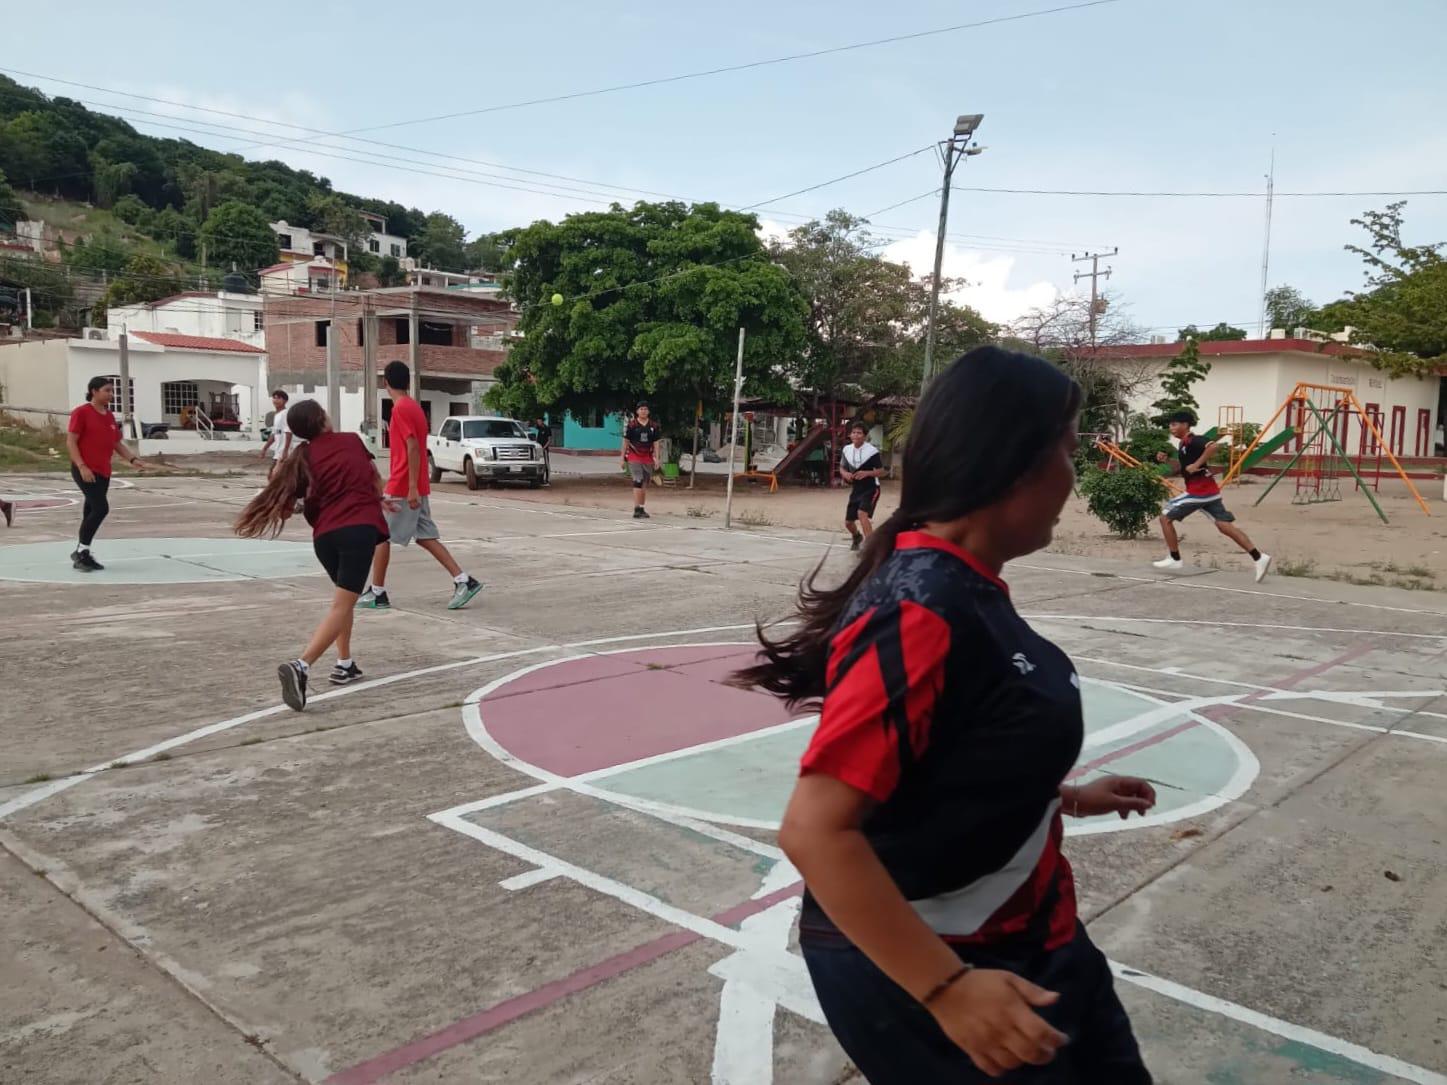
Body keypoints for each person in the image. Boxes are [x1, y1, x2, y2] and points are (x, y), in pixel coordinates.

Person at [732, 346, 1157, 1084]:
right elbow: (815, 828)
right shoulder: (920, 612)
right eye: (1066, 450)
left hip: (1035, 936)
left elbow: (945, 755)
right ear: (1013, 465)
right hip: (952, 956)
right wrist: (947, 988)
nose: (1072, 475)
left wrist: (1056, 796)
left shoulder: (963, 584)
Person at [235, 400, 390, 710]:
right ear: (321, 418)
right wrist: (379, 497)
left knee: (343, 603)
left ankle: (345, 663)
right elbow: (373, 478)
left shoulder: (301, 456)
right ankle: (301, 666)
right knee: (342, 604)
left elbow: (286, 503)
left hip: (325, 538)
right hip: (357, 531)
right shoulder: (351, 440)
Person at [357, 360, 482, 611]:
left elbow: (413, 446)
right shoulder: (413, 407)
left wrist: (411, 486)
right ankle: (463, 580)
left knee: (381, 537)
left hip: (404, 484)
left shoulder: (400, 409)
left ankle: (378, 593)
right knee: (425, 537)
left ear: (386, 383)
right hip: (414, 483)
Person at [1152, 410, 1271, 583]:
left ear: (1185, 425)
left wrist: (1197, 464)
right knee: (1224, 526)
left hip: (1199, 492)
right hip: (1210, 492)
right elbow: (1185, 468)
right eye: (1170, 425)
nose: (1171, 428)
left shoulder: (1194, 439)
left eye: (1174, 424)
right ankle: (1259, 557)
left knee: (1165, 518)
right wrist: (1167, 462)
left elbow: (1213, 446)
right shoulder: (1183, 445)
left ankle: (1174, 558)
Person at [67, 376, 153, 571]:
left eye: (111, 391)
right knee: (100, 508)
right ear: (94, 391)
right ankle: (82, 552)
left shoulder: (109, 416)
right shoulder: (81, 413)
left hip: (103, 471)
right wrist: (82, 466)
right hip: (85, 470)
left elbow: (116, 443)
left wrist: (133, 459)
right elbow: (71, 442)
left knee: (90, 510)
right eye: (107, 390)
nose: (111, 395)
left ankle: (83, 552)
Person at [839, 421, 884, 551]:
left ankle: (871, 547)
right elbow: (841, 467)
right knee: (848, 523)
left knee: (862, 514)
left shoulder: (872, 451)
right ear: (850, 435)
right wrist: (845, 474)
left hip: (871, 488)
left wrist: (867, 473)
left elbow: (881, 471)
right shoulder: (847, 450)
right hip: (856, 489)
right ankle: (857, 536)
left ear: (865, 436)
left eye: (859, 433)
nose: (856, 435)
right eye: (854, 432)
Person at [622, 402, 661, 519]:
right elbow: (625, 442)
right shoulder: (632, 425)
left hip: (647, 458)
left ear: (648, 411)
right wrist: (622, 458)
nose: (643, 411)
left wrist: (657, 458)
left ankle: (642, 508)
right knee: (638, 480)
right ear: (637, 411)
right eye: (641, 409)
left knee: (644, 483)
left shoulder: (653, 426)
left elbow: (656, 442)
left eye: (645, 409)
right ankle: (636, 508)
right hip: (634, 456)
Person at [259, 390, 293, 479]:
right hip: (278, 452)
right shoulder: (277, 415)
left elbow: (288, 432)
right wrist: (264, 449)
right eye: (274, 398)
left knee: (273, 476)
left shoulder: (285, 413)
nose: (275, 400)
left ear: (285, 401)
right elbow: (274, 434)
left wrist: (286, 451)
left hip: (283, 453)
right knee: (276, 477)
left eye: (279, 398)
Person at [533, 415, 552, 486]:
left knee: (547, 465)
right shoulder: (539, 428)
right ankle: (541, 480)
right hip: (539, 449)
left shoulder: (547, 429)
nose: (538, 423)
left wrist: (544, 448)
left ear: (542, 421)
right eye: (537, 421)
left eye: (539, 421)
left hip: (544, 450)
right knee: (541, 464)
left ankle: (548, 480)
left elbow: (549, 440)